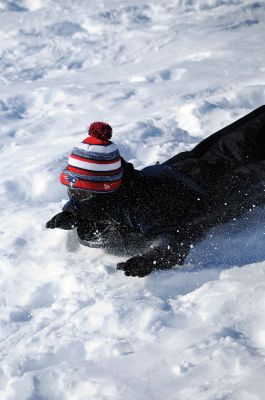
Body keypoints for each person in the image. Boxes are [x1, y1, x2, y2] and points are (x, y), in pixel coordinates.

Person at [46, 106, 265, 277]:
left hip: (216, 187)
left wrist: (154, 258)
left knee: (250, 133)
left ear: (105, 189)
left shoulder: (139, 209)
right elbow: (87, 200)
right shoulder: (110, 185)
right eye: (72, 190)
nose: (75, 196)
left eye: (80, 193)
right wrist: (72, 212)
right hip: (188, 169)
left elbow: (180, 236)